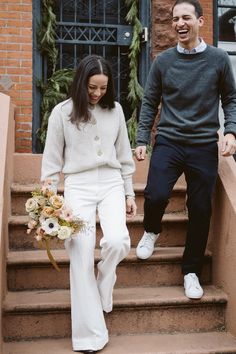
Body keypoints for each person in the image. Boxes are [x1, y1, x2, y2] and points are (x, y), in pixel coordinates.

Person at [135, 0, 236, 300]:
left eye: (186, 18)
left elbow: (231, 99)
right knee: (155, 194)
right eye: (175, 18)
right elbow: (150, 102)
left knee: (201, 208)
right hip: (169, 140)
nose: (179, 23)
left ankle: (191, 271)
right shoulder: (163, 62)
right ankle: (152, 230)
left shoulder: (219, 59)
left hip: (204, 144)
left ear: (200, 21)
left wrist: (231, 130)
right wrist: (142, 139)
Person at [41, 55, 137, 353]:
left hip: (110, 182)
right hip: (77, 187)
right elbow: (52, 161)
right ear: (80, 84)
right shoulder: (61, 113)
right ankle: (89, 337)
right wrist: (48, 202)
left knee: (119, 242)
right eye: (92, 88)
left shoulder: (116, 110)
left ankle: (104, 281)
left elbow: (123, 155)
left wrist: (129, 192)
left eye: (103, 88)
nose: (97, 94)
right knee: (81, 252)